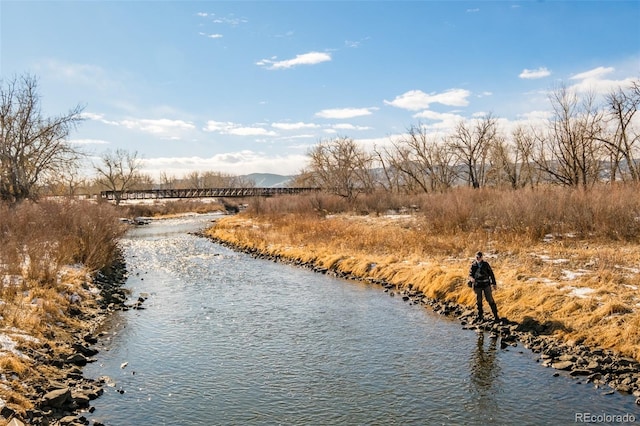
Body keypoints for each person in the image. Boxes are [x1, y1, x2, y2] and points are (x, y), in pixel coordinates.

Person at [468, 251, 500, 322]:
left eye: (479, 257)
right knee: (479, 300)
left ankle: (496, 316)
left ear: (482, 257)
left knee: (490, 299)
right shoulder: (473, 265)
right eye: (477, 257)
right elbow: (470, 275)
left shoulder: (486, 264)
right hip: (477, 285)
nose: (478, 258)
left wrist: (494, 284)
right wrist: (471, 279)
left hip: (486, 284)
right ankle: (480, 315)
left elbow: (491, 274)